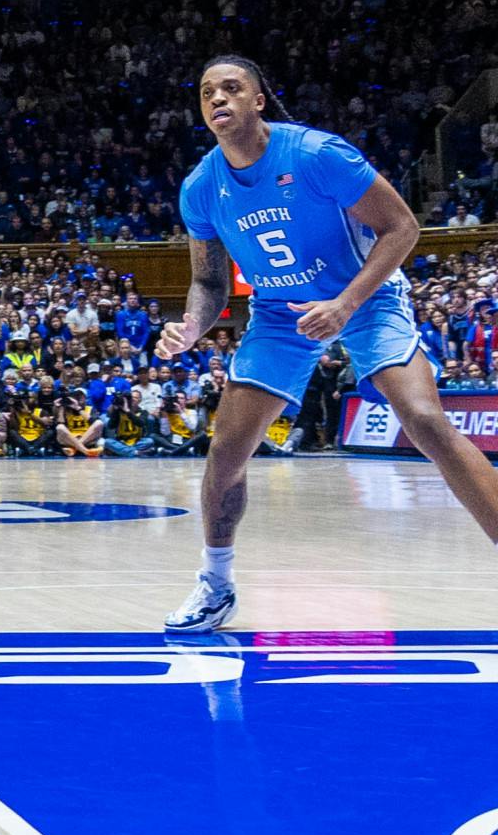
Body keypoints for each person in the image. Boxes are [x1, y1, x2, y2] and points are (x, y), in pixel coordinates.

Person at [159, 55, 498, 634]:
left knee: (423, 419)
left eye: (232, 88)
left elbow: (402, 229)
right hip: (277, 315)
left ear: (259, 100)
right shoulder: (201, 188)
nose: (217, 98)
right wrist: (193, 324)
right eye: (206, 91)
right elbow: (210, 282)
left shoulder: (317, 154)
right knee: (225, 452)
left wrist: (344, 303)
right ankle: (215, 585)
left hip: (365, 298)